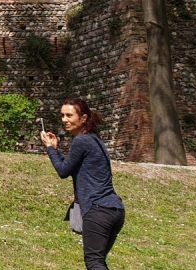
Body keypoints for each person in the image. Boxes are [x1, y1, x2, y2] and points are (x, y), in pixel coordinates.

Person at [42, 98, 125, 270]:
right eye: (62, 115)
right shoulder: (94, 140)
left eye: (69, 115)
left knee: (94, 262)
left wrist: (51, 148)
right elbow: (71, 166)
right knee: (98, 262)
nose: (64, 119)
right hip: (115, 209)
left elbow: (63, 171)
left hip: (98, 210)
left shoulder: (81, 141)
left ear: (84, 118)